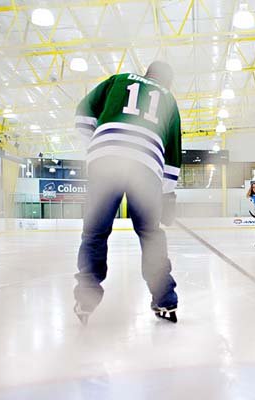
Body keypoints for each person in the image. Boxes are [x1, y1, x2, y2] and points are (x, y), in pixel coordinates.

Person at [73, 61, 182, 324]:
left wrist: (95, 145)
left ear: (148, 72)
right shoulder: (167, 98)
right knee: (150, 233)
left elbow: (83, 110)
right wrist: (167, 196)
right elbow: (173, 151)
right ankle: (164, 299)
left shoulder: (118, 79)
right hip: (146, 165)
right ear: (167, 80)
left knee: (95, 231)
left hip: (105, 159)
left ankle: (86, 298)